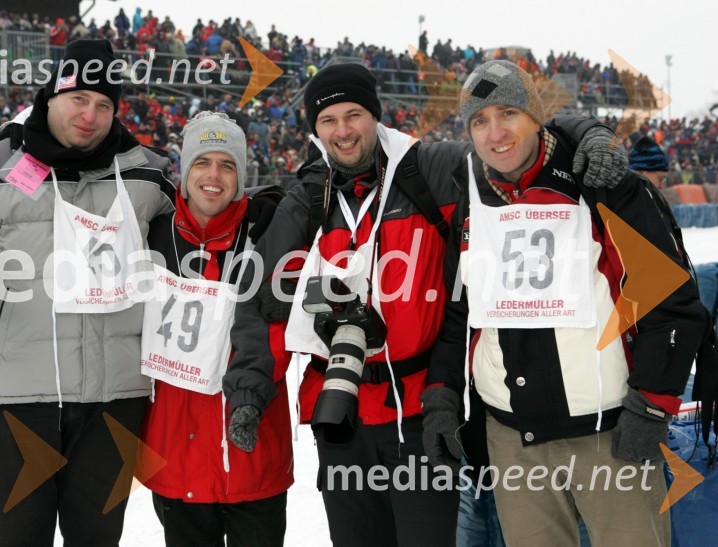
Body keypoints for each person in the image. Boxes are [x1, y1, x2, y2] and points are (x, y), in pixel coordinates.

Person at [222, 62, 628, 547]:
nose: (343, 131)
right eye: (328, 121)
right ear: (315, 129)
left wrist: (587, 132)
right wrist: (248, 391)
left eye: (354, 115)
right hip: (339, 416)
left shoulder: (429, 167)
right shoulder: (312, 194)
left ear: (377, 115)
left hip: (419, 415)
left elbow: (509, 140)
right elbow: (262, 298)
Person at [423, 60, 706, 547]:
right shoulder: (472, 197)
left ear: (536, 116)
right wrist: (442, 398)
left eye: (507, 113)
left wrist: (653, 405)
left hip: (611, 435)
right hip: (513, 439)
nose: (496, 133)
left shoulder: (601, 184)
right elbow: (460, 311)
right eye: (479, 121)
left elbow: (674, 303)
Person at [0, 39, 178, 546]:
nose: (91, 114)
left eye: (104, 104)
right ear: (50, 96)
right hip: (18, 397)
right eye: (79, 98)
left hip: (115, 396)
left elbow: (194, 244)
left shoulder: (148, 172)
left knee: (98, 539)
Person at [140, 111, 292, 546]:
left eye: (227, 165)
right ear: (184, 170)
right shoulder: (152, 236)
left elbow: (282, 331)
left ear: (241, 175)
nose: (214, 175)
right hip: (176, 454)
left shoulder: (270, 236)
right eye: (202, 162)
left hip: (253, 451)